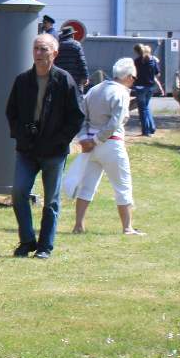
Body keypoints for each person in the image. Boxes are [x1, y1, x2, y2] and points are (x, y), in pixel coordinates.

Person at [5, 33, 85, 259]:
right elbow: (11, 112)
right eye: (36, 49)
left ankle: (45, 247)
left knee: (51, 201)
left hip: (54, 151)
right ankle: (27, 240)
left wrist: (60, 140)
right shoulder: (22, 80)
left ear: (55, 54)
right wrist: (21, 135)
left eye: (44, 49)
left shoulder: (64, 80)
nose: (39, 54)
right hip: (27, 150)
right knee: (19, 192)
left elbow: (76, 117)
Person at [67, 58, 143, 237]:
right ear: (129, 77)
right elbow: (114, 123)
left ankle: (78, 224)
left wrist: (86, 138)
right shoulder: (121, 93)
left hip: (90, 146)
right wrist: (97, 140)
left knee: (87, 185)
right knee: (123, 184)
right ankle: (127, 227)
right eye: (134, 78)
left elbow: (82, 117)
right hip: (111, 143)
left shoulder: (95, 89)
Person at [131, 44, 163, 136]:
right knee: (147, 107)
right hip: (150, 87)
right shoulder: (153, 61)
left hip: (140, 87)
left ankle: (146, 130)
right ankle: (152, 127)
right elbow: (158, 74)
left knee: (142, 110)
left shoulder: (136, 61)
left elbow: (134, 74)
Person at [54, 25, 89, 90]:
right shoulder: (76, 45)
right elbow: (82, 62)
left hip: (61, 78)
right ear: (72, 35)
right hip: (75, 79)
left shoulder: (57, 46)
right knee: (77, 97)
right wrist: (85, 77)